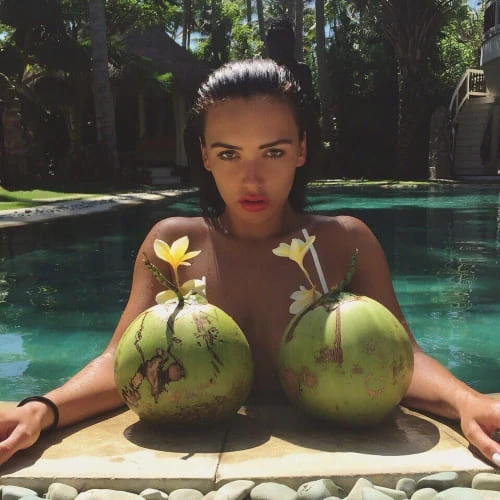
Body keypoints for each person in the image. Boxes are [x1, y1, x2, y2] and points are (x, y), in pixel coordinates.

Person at [1, 59, 500, 467]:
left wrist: (466, 400)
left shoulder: (345, 244)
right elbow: (122, 362)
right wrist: (42, 409)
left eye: (273, 152)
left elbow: (402, 359)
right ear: (204, 154)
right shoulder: (173, 245)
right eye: (229, 154)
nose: (252, 179)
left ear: (301, 149)